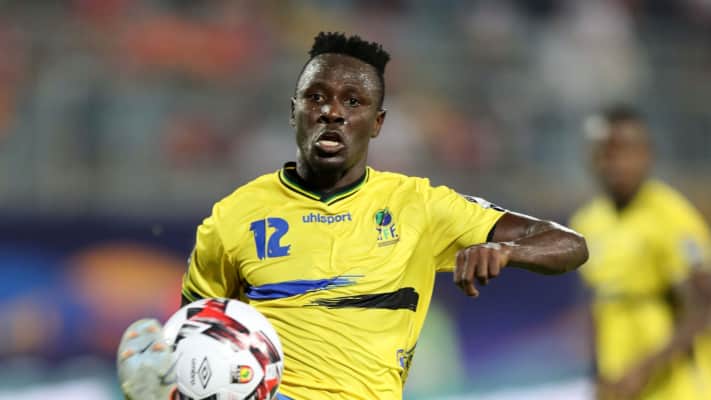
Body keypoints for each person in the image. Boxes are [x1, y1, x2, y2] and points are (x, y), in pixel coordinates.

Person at [119, 32, 588, 400]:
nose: (332, 113)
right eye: (316, 97)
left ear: (377, 123)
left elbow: (570, 244)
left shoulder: (419, 206)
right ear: (294, 112)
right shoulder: (235, 215)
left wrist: (506, 249)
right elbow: (194, 331)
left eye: (353, 101)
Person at [570, 105, 711, 400]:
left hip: (676, 388)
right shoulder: (586, 223)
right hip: (620, 385)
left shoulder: (672, 217)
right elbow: (598, 308)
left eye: (625, 151)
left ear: (646, 155)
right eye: (605, 152)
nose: (614, 163)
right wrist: (597, 375)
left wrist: (644, 370)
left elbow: (702, 309)